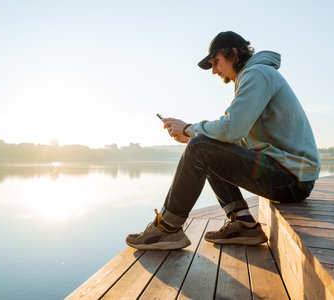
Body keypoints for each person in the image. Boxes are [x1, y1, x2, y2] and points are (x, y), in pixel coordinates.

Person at [126, 31, 321, 250]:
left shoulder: (257, 74)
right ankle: (244, 224)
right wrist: (194, 135)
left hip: (292, 178)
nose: (214, 71)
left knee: (202, 145)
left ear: (234, 53)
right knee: (205, 145)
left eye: (215, 62)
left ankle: (168, 229)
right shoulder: (255, 75)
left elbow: (231, 129)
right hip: (291, 175)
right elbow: (232, 137)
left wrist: (190, 130)